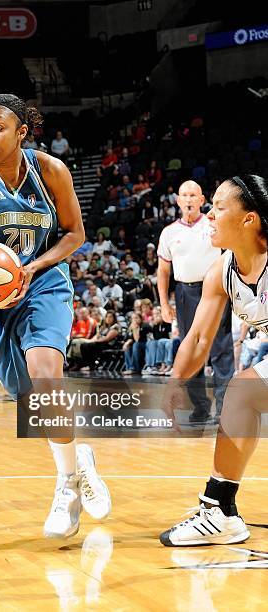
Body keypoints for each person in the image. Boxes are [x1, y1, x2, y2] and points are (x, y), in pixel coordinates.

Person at [0, 93, 111, 538]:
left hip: (41, 282)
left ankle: (67, 485)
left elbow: (75, 233)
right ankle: (78, 458)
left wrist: (34, 267)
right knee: (34, 402)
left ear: (21, 132)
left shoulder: (50, 171)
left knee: (46, 371)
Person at [160, 174, 268, 547]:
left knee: (242, 389)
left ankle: (219, 510)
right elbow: (199, 338)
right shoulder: (221, 271)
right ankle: (219, 511)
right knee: (242, 392)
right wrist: (175, 383)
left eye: (219, 207)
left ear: (248, 219)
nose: (209, 215)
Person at [157, 180, 234, 423]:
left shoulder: (213, 225)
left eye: (193, 195)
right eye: (184, 195)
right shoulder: (169, 232)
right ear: (178, 201)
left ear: (202, 200)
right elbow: (163, 272)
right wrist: (164, 304)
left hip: (215, 289)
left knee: (221, 348)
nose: (189, 200)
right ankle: (200, 408)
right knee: (190, 350)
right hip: (184, 293)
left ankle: (225, 408)